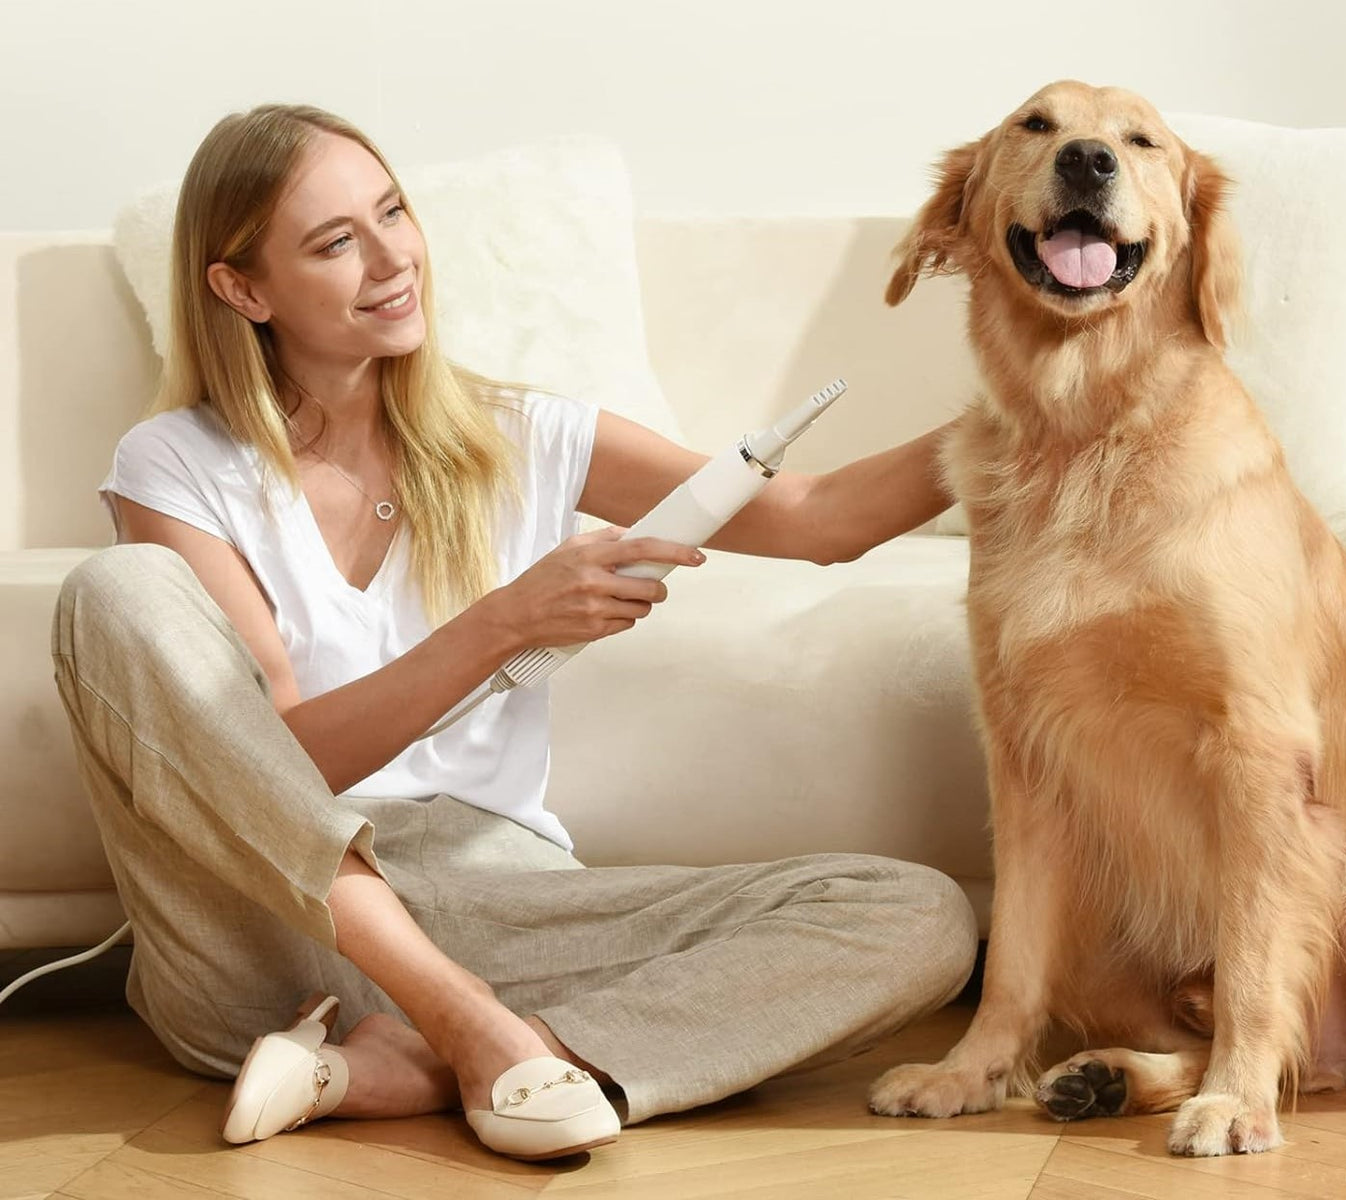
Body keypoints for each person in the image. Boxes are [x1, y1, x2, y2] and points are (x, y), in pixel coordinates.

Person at [52, 103, 977, 1164]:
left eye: (391, 212)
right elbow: (281, 764)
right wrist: (501, 623)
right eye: (334, 241)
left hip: (495, 896)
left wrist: (1032, 411)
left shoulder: (528, 435)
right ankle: (467, 1028)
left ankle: (429, 1063)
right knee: (113, 591)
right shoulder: (175, 466)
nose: (393, 256)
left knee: (915, 914)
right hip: (271, 930)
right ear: (243, 289)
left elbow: (819, 522)